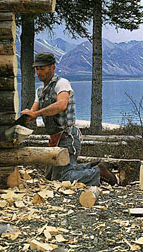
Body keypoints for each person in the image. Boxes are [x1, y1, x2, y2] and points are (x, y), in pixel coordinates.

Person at [21, 52, 118, 186]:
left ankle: (97, 173)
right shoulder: (40, 91)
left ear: (52, 67)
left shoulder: (62, 84)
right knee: (50, 177)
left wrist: (36, 114)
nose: (38, 72)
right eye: (37, 69)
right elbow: (33, 112)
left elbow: (62, 104)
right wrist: (25, 117)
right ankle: (93, 166)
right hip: (54, 138)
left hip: (68, 136)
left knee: (64, 178)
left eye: (42, 68)